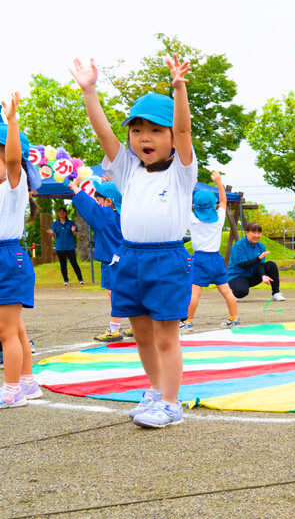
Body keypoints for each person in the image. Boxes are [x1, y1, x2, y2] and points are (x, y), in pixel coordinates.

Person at [72, 55, 197, 428]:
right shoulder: (126, 170)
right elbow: (103, 134)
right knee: (141, 334)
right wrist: (89, 91)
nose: (145, 137)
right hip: (130, 259)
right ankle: (155, 391)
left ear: (172, 139)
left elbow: (186, 131)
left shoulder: (181, 172)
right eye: (138, 129)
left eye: (157, 130)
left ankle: (171, 403)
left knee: (165, 336)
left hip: (167, 260)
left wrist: (179, 89)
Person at [0, 92, 40, 409]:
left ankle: (11, 389)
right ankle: (27, 382)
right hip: (6, 258)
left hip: (7, 258)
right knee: (15, 328)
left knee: (5, 332)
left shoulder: (14, 182)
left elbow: (12, 159)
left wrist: (11, 120)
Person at [69, 177, 126, 342]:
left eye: (99, 199)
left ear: (108, 201)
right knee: (129, 292)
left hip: (111, 261)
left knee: (114, 293)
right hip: (126, 258)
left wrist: (75, 187)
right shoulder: (125, 213)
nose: (97, 202)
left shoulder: (105, 215)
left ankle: (114, 329)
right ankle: (138, 324)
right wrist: (115, 182)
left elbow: (89, 207)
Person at [182, 171, 240, 333]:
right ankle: (234, 318)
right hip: (216, 259)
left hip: (200, 259)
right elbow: (223, 201)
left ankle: (188, 321)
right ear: (212, 205)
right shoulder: (219, 218)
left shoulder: (192, 219)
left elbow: (185, 202)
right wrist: (219, 182)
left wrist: (190, 185)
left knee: (194, 293)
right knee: (227, 291)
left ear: (195, 205)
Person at [226, 222, 285, 302]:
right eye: (254, 233)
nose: (257, 235)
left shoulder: (261, 246)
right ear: (247, 233)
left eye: (259, 233)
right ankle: (234, 292)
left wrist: (263, 275)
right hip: (237, 276)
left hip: (252, 275)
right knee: (241, 292)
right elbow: (244, 265)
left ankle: (276, 293)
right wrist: (259, 258)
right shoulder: (238, 246)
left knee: (271, 265)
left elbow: (260, 264)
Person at [48, 206, 84, 286]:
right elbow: (54, 235)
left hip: (70, 247)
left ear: (66, 213)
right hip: (60, 247)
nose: (61, 213)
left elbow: (76, 234)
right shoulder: (55, 224)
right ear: (57, 214)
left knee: (74, 263)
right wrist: (52, 233)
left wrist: (73, 231)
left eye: (63, 212)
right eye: (60, 212)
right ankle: (66, 280)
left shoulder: (70, 223)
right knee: (63, 264)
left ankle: (80, 279)